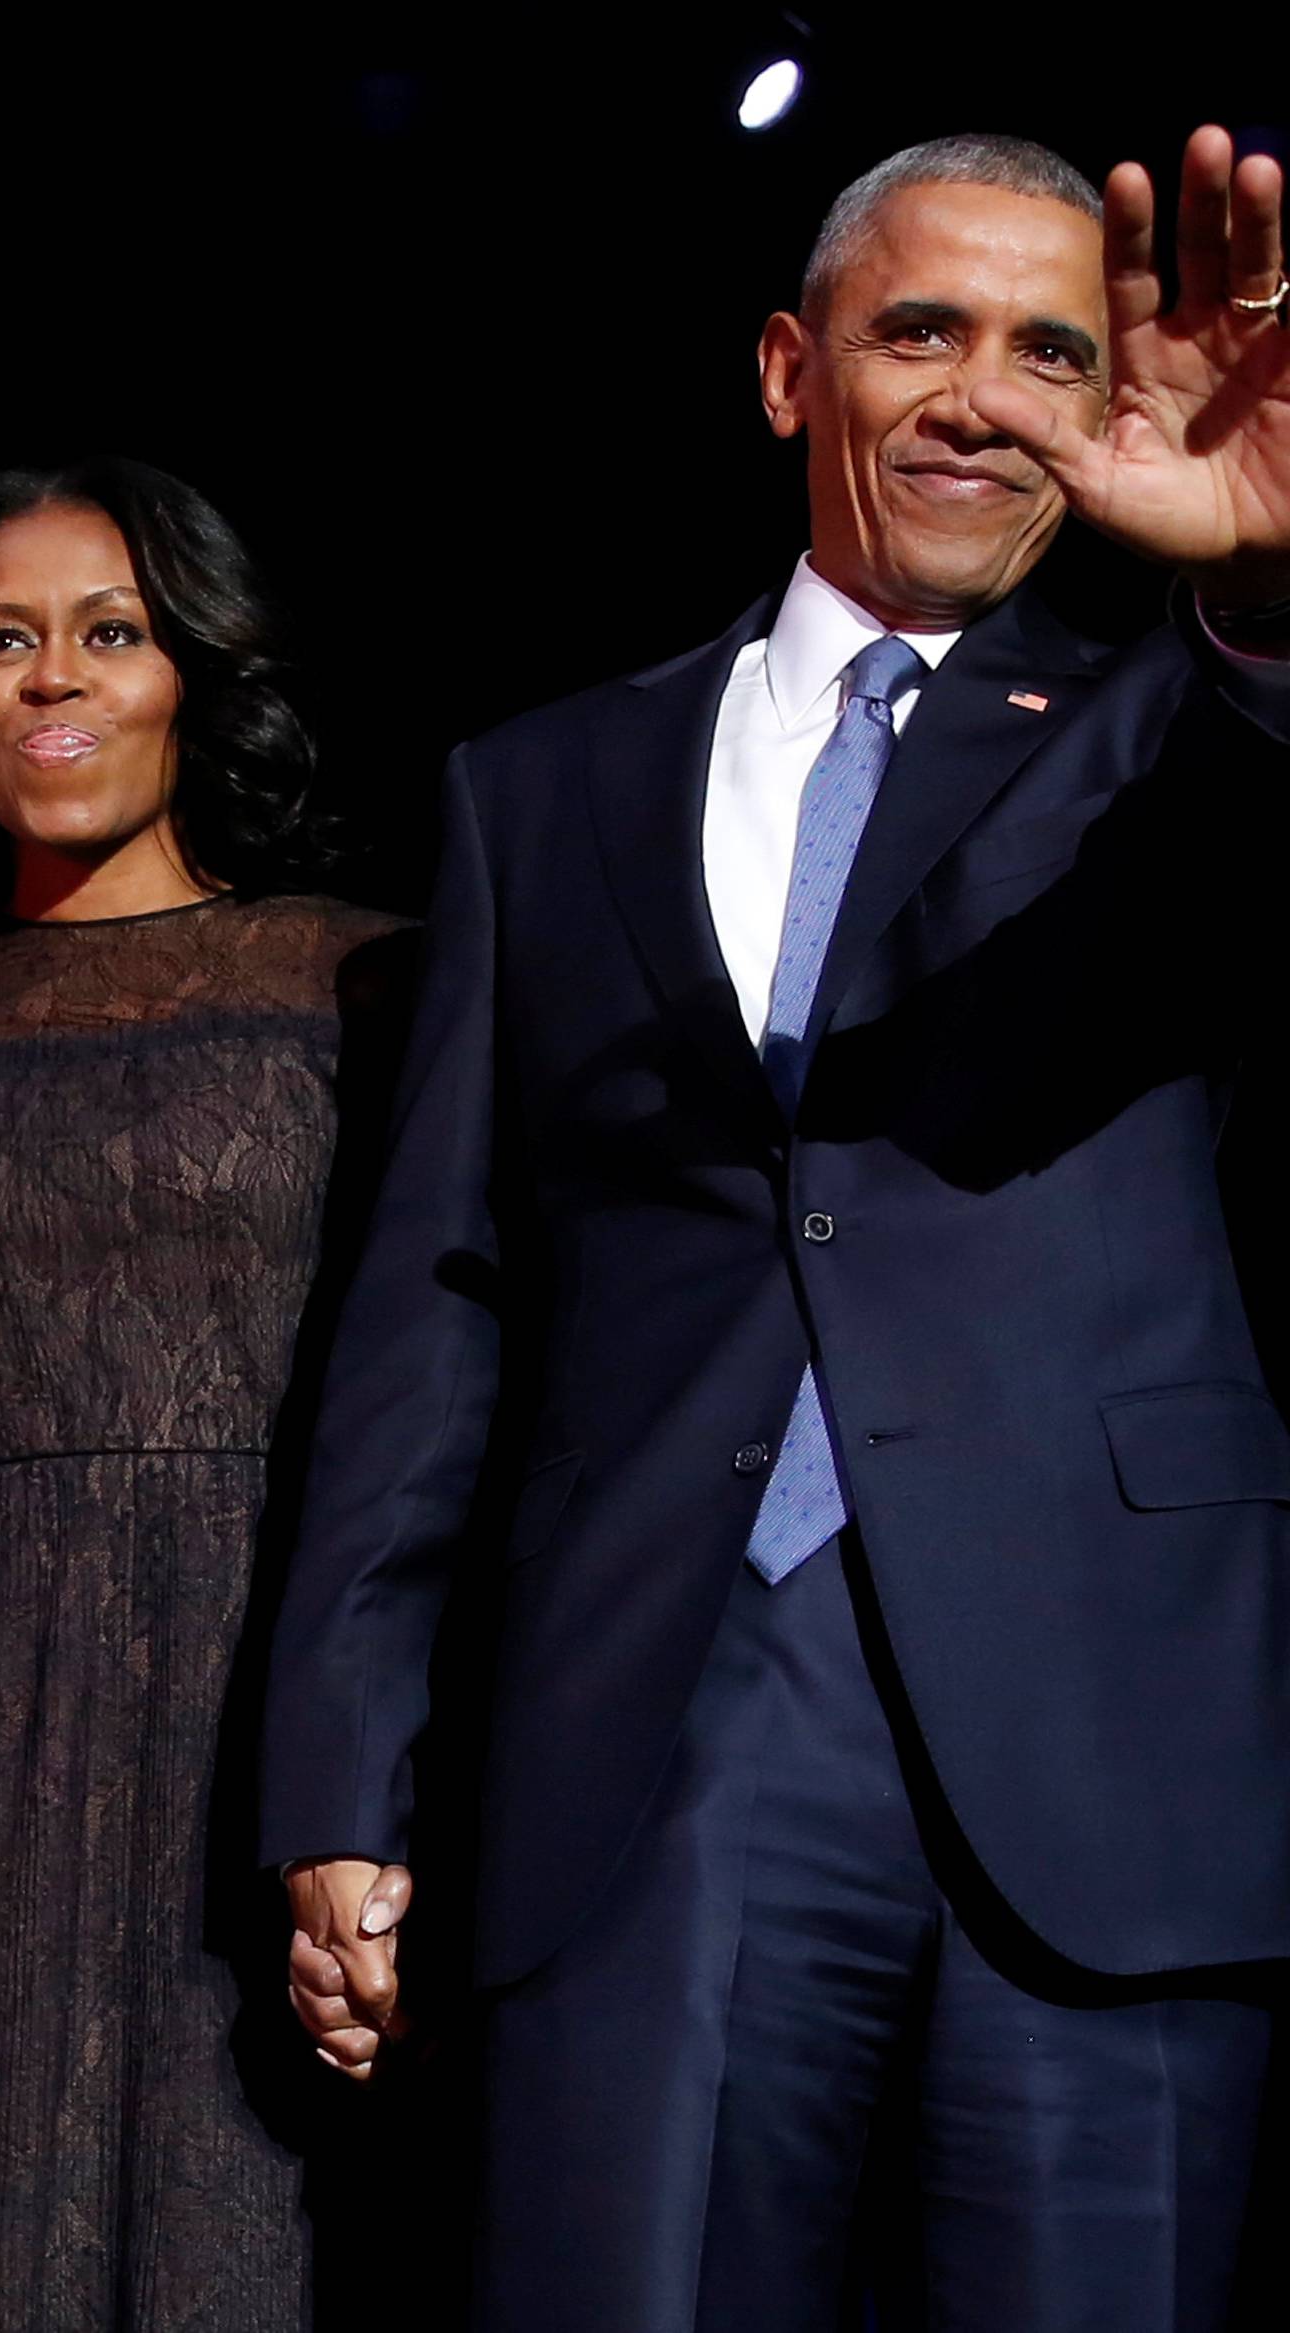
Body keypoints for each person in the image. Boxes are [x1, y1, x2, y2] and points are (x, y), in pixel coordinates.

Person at [262, 126, 1290, 2331]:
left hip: (1103, 1734)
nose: (984, 394)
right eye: (921, 328)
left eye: (1051, 348)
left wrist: (1265, 596)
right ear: (784, 370)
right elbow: (438, 1299)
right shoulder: (541, 788)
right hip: (664, 1735)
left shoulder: (1177, 732)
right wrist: (345, 1772)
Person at [0, 459, 412, 2330]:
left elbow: (458, 1408)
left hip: (264, 1714)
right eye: (2, 641)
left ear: (189, 675)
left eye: (109, 633)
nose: (55, 678)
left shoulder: (362, 979)